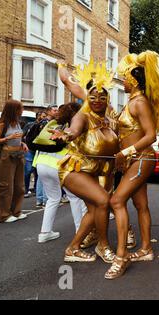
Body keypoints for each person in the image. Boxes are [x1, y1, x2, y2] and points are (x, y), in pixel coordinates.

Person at [104, 51, 159, 279]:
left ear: (133, 79)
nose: (122, 81)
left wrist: (127, 151)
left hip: (142, 158)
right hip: (134, 160)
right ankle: (145, 249)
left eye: (124, 78)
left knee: (116, 200)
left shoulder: (140, 102)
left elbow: (151, 135)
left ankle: (121, 256)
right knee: (141, 204)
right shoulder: (132, 101)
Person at [54, 59, 120, 263]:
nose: (98, 100)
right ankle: (103, 245)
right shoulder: (83, 116)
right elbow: (74, 130)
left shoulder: (109, 117)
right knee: (102, 201)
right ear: (87, 97)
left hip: (94, 171)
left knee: (94, 211)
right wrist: (67, 135)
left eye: (102, 97)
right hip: (75, 170)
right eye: (93, 97)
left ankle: (73, 248)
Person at [31, 102, 87, 242]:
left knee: (53, 198)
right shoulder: (72, 127)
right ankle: (80, 233)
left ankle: (44, 233)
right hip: (60, 165)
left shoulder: (50, 124)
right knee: (75, 198)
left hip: (41, 164)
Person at [0, 100, 29, 223]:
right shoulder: (2, 124)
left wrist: (23, 143)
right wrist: (8, 138)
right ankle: (4, 215)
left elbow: (18, 139)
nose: (22, 110)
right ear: (14, 110)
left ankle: (16, 212)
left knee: (20, 186)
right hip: (6, 156)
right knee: (5, 186)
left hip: (19, 155)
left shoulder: (18, 123)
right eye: (21, 108)